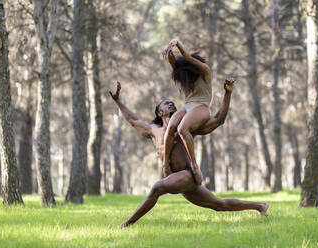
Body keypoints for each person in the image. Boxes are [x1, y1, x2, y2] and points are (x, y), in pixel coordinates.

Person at [109, 78, 269, 228]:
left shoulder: (185, 127)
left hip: (188, 174)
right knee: (219, 205)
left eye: (172, 103)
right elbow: (132, 120)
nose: (171, 104)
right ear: (159, 113)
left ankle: (126, 225)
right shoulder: (153, 131)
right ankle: (260, 206)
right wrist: (117, 101)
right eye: (166, 104)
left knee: (157, 188)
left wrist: (227, 93)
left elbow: (219, 119)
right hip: (178, 180)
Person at [161, 39, 212, 185]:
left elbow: (188, 58)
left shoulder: (205, 72)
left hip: (201, 107)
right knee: (171, 127)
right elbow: (173, 62)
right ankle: (165, 165)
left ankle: (195, 166)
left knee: (183, 129)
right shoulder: (185, 76)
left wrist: (177, 43)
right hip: (187, 106)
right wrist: (168, 50)